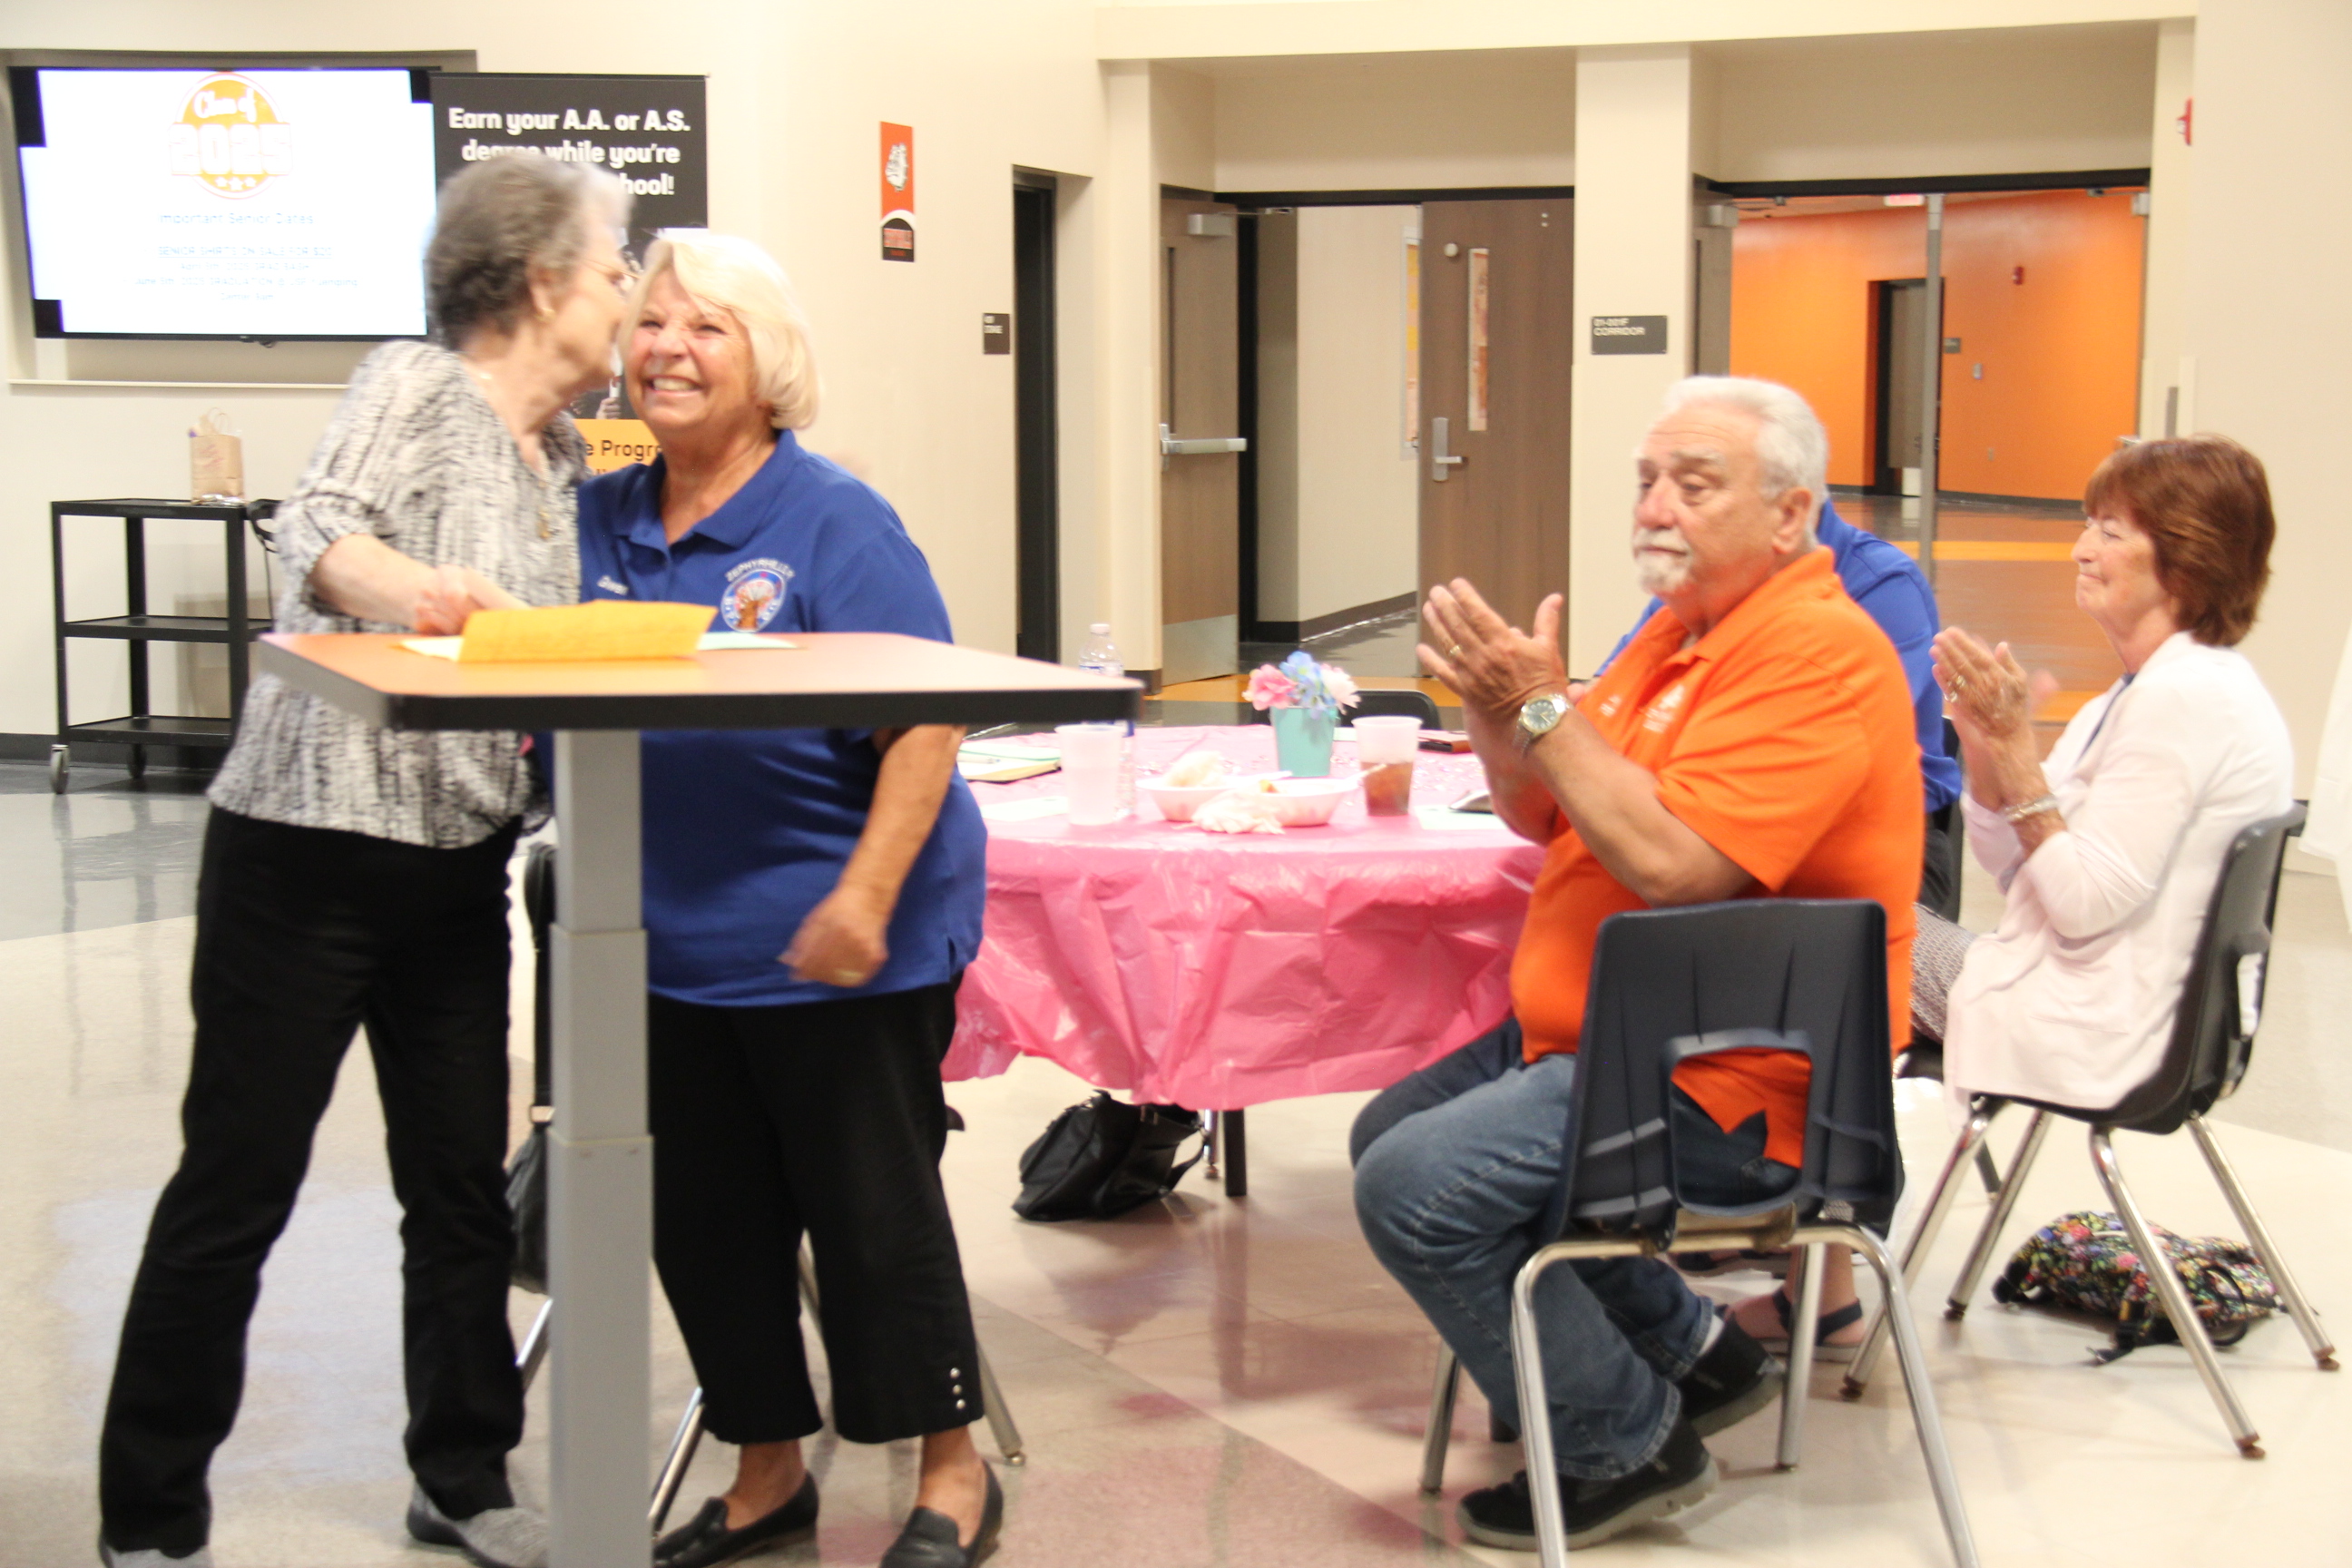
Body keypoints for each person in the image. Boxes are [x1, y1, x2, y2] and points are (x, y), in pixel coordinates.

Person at [95, 160, 633, 1568]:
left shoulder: (567, 461)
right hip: (304, 855)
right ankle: (150, 1514)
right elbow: (317, 528)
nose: (630, 294)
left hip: (452, 868)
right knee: (239, 1180)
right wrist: (423, 598)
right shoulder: (416, 382)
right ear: (541, 282)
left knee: (457, 1191)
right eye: (617, 265)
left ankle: (460, 1478)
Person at [1351, 375, 1920, 1551]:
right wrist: (1508, 722)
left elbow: (1676, 867)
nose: (1655, 506)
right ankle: (1700, 1360)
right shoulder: (1677, 633)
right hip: (1617, 1038)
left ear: (1790, 514)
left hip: (1730, 1079)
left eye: (1694, 484)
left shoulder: (1817, 650)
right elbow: (1544, 815)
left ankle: (1625, 1442)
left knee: (1416, 1188)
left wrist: (1548, 709)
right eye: (1648, 479)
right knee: (1387, 1134)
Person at [573, 231, 997, 1568]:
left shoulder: (832, 520)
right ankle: (767, 1470)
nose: (668, 350)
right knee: (706, 1227)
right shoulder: (604, 513)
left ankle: (948, 1470)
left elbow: (927, 720)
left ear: (771, 362)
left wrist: (866, 897)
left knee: (873, 1222)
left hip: (839, 938)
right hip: (658, 944)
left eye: (708, 328)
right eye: (650, 323)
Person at [1916, 436, 2291, 1106]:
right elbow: (2013, 870)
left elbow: (2082, 905)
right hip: (2101, 1001)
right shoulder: (2144, 692)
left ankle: (1798, 1175)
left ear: (2187, 562)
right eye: (2089, 526)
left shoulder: (2184, 700)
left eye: (2109, 533)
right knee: (1847, 932)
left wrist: (2020, 763)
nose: (2081, 550)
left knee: (1832, 934)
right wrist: (1987, 749)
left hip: (2100, 1027)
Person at [1596, 497, 1965, 906]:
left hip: (1861, 853)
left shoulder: (1881, 586)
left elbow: (1783, 743)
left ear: (1790, 508)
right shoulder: (1703, 583)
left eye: (1702, 486)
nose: (1662, 509)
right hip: (1701, 810)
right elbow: (1611, 698)